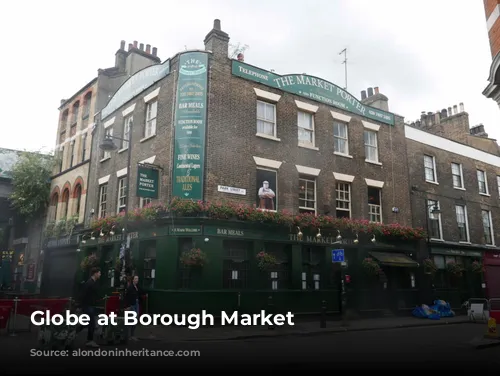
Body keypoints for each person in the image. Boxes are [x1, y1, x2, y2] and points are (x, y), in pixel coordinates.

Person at [79, 267, 101, 348]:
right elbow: (83, 294)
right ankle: (90, 340)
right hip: (88, 306)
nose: (100, 274)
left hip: (91, 305)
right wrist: (82, 306)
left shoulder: (94, 282)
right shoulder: (89, 283)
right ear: (95, 273)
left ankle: (73, 333)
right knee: (91, 323)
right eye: (99, 273)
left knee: (85, 322)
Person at [125, 275, 144, 341]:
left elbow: (140, 292)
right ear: (133, 279)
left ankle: (132, 335)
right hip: (132, 304)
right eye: (135, 279)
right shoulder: (130, 287)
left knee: (135, 318)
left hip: (136, 303)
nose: (137, 280)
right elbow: (127, 297)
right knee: (132, 319)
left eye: (137, 279)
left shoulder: (137, 287)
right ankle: (129, 335)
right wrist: (127, 306)